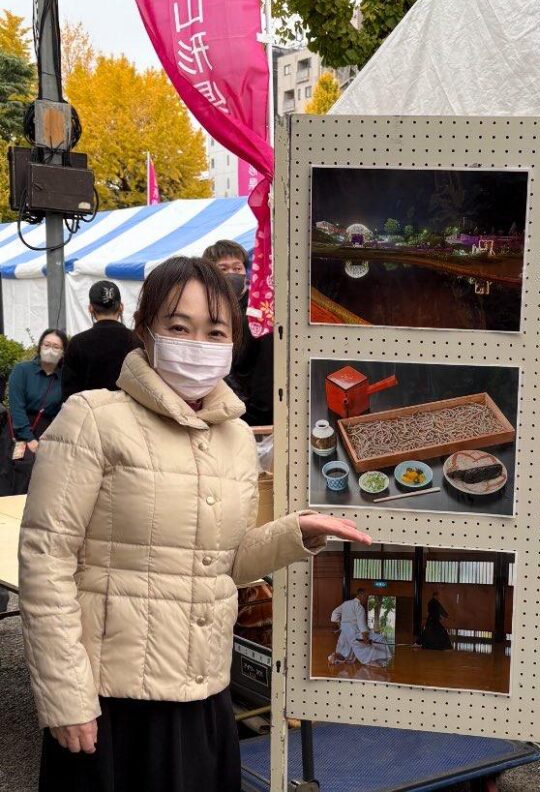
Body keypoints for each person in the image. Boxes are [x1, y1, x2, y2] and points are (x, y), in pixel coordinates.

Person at [18, 256, 371, 791]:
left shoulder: (235, 438)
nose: (197, 343)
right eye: (179, 327)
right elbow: (46, 562)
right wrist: (66, 696)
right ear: (145, 330)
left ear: (233, 342)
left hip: (204, 694)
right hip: (112, 701)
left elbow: (225, 562)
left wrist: (295, 533)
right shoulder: (92, 418)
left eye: (215, 331)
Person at [203, 240, 273, 428]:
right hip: (217, 412)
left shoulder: (258, 314)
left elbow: (265, 374)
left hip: (250, 418)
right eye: (223, 269)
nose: (232, 274)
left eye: (237, 268)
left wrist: (253, 417)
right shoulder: (205, 312)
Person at [0, 329, 66, 496]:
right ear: (40, 346)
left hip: (47, 433)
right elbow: (16, 407)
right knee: (13, 474)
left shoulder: (64, 378)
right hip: (19, 429)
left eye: (56, 347)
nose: (50, 350)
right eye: (47, 345)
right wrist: (29, 439)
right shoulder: (22, 370)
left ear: (63, 352)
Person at [61, 281, 143, 401]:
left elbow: (69, 394)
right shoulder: (137, 340)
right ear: (121, 307)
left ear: (90, 308)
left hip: (89, 410)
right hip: (131, 410)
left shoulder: (77, 343)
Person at [329, 589, 390, 667]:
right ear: (361, 595)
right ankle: (374, 661)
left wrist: (341, 625)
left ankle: (334, 657)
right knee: (380, 639)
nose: (366, 599)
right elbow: (362, 625)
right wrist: (365, 638)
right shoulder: (359, 607)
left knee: (345, 653)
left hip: (344, 632)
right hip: (354, 633)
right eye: (366, 597)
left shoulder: (346, 603)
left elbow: (334, 614)